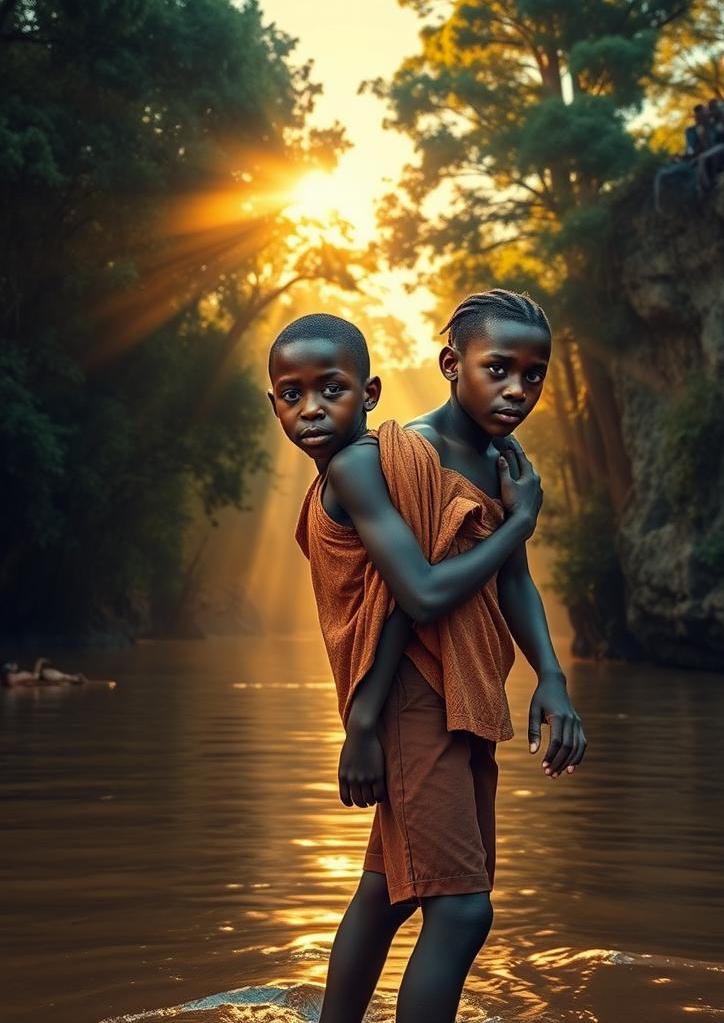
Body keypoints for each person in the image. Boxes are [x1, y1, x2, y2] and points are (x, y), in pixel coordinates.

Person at [269, 301, 584, 1023]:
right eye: (498, 369)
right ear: (452, 366)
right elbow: (415, 598)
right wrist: (365, 723)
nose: (516, 390)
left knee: (385, 893)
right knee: (463, 912)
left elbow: (512, 579)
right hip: (416, 695)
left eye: (533, 376)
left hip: (459, 699)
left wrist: (553, 680)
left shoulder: (503, 463)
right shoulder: (397, 457)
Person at [1, 657, 86, 687]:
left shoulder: (12, 677)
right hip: (44, 676)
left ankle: (77, 679)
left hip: (44, 676)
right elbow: (35, 676)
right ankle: (77, 679)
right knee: (63, 677)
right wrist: (39, 661)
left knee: (63, 677)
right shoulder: (13, 678)